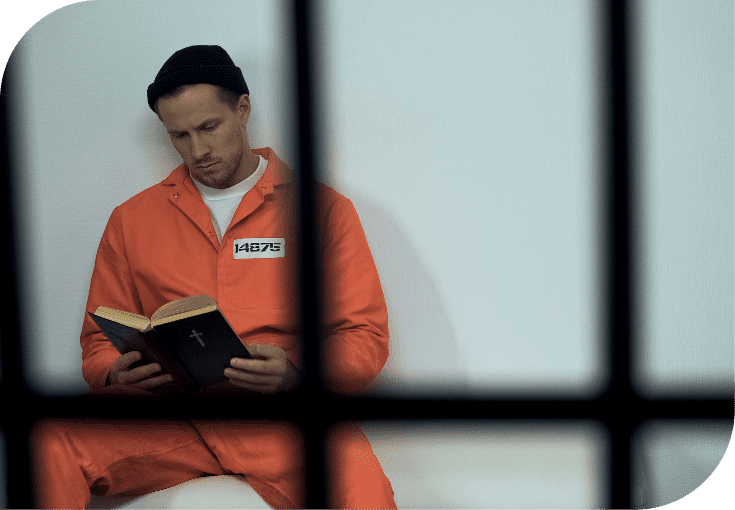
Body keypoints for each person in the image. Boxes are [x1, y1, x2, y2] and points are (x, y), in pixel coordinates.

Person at [33, 45, 396, 509]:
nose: (198, 150)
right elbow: (97, 340)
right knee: (46, 436)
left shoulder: (323, 210)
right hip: (171, 419)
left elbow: (362, 334)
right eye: (178, 135)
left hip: (284, 422)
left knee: (365, 492)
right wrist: (112, 373)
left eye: (209, 127)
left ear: (242, 109)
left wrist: (297, 375)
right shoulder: (131, 219)